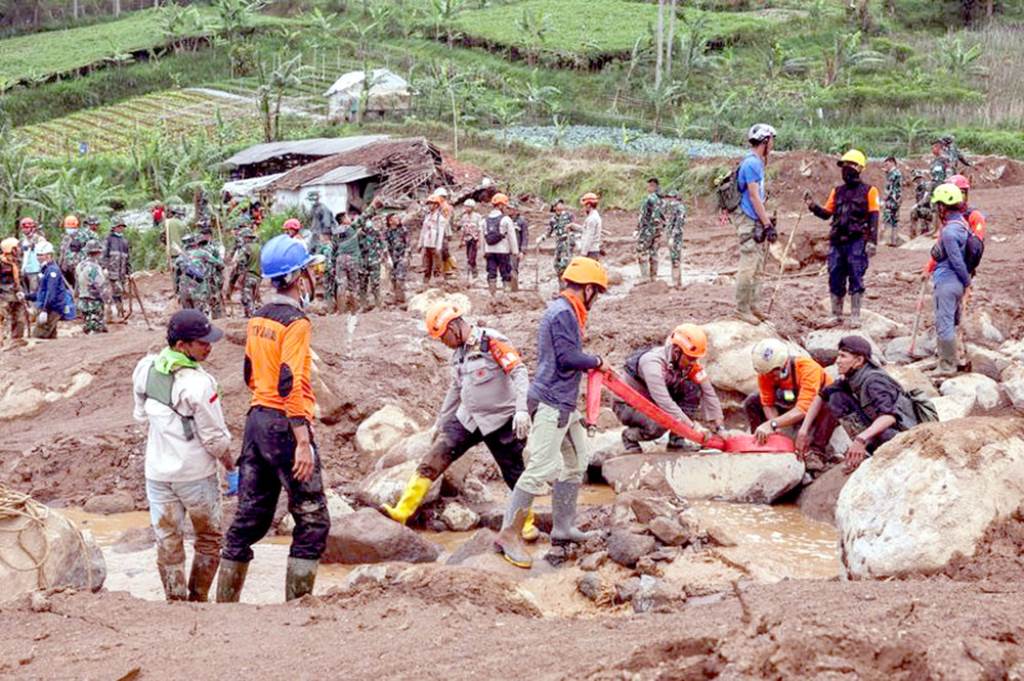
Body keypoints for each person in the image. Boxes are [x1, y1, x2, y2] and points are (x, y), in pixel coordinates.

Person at [218, 235, 329, 603]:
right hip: (286, 425)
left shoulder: (258, 317)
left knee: (249, 519)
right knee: (312, 520)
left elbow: (250, 374)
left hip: (256, 422)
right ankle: (297, 607)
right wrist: (302, 440)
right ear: (298, 277)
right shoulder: (296, 322)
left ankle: (224, 606)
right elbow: (290, 381)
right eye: (308, 270)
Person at [383, 302, 537, 541]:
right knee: (434, 458)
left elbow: (519, 371)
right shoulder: (458, 356)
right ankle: (402, 511)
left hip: (500, 419)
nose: (443, 342)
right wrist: (440, 423)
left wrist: (521, 410)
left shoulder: (491, 341)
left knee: (514, 473)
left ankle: (526, 523)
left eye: (443, 336)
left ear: (454, 327)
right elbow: (455, 390)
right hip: (468, 418)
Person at [494, 257, 608, 569]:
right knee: (540, 468)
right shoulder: (562, 313)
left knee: (577, 462)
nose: (595, 299)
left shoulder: (568, 310)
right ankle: (509, 535)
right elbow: (568, 358)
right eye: (596, 292)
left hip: (565, 403)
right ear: (587, 289)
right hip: (551, 402)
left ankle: (563, 527)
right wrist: (597, 361)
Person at [132, 309, 232, 602]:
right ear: (181, 346)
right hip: (195, 475)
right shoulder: (199, 383)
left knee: (167, 540)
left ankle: (174, 601)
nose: (209, 347)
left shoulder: (146, 368)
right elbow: (214, 438)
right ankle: (198, 599)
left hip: (157, 474)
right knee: (209, 539)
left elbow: (140, 414)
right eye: (202, 342)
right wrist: (230, 464)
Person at [798, 336, 921, 473]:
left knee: (884, 433)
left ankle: (868, 452)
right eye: (838, 355)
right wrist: (803, 431)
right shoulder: (852, 376)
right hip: (876, 428)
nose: (837, 361)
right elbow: (821, 396)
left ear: (859, 360)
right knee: (836, 397)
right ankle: (843, 451)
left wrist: (861, 439)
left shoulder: (874, 381)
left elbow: (890, 416)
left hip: (901, 435)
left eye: (843, 356)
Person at [614, 323, 725, 453]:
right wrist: (693, 427)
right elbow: (664, 402)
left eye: (696, 359)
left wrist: (720, 427)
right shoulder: (652, 363)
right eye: (691, 359)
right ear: (677, 352)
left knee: (691, 388)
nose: (694, 363)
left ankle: (676, 442)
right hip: (628, 405)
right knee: (661, 424)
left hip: (651, 401)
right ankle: (629, 437)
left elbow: (708, 391)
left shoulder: (687, 362)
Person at [804, 149, 880, 327]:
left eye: (850, 165)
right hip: (837, 241)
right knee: (835, 275)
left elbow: (874, 217)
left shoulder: (870, 191)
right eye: (844, 165)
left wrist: (872, 242)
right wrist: (812, 205)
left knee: (856, 275)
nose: (846, 169)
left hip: (857, 241)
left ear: (859, 168)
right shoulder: (837, 191)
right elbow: (826, 213)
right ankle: (835, 314)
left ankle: (855, 315)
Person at [745, 338, 839, 473]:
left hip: (817, 409)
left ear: (783, 364)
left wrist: (772, 424)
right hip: (791, 403)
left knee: (833, 401)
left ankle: (817, 451)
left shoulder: (808, 368)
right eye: (768, 373)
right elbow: (768, 403)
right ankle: (760, 441)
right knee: (752, 401)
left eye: (773, 372)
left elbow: (804, 408)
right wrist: (775, 429)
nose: (771, 377)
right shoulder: (765, 373)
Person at [928, 183, 973, 376]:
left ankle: (947, 365)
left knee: (944, 323)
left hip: (947, 282)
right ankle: (954, 358)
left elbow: (956, 260)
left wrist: (967, 283)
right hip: (956, 283)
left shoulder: (948, 232)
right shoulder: (962, 224)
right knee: (951, 321)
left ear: (942, 206)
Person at [734, 123, 777, 323]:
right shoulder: (751, 164)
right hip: (749, 219)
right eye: (772, 140)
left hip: (755, 218)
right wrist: (767, 224)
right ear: (765, 140)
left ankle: (753, 306)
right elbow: (753, 196)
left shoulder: (757, 162)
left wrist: (765, 221)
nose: (773, 144)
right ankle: (741, 308)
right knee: (748, 264)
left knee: (758, 265)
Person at [483, 193, 520, 294]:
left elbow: (483, 237)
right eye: (505, 206)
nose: (506, 208)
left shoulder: (485, 220)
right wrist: (515, 251)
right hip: (503, 250)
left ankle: (492, 295)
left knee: (491, 272)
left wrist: (483, 251)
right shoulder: (506, 219)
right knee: (505, 272)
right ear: (500, 205)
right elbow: (512, 237)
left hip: (489, 251)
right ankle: (506, 294)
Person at [30, 241, 69, 339]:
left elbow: (51, 293)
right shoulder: (45, 270)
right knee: (51, 337)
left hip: (52, 309)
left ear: (49, 255)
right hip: (48, 307)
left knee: (39, 336)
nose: (39, 257)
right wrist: (26, 296)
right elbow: (42, 292)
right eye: (38, 255)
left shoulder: (52, 271)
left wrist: (45, 310)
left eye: (41, 255)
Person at [75, 240, 110, 334]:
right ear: (98, 253)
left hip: (83, 301)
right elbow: (100, 286)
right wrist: (107, 300)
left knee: (87, 325)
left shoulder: (80, 266)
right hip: (94, 302)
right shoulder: (95, 268)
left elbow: (77, 283)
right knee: (95, 330)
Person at [536, 198, 575, 282]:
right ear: (554, 207)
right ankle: (561, 283)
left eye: (561, 203)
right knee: (556, 264)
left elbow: (574, 226)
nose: (561, 205)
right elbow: (549, 232)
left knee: (564, 264)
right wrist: (542, 238)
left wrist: (572, 232)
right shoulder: (553, 220)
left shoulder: (569, 215)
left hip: (567, 242)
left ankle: (568, 283)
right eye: (558, 204)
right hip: (559, 243)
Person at [355, 204, 386, 310]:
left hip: (374, 261)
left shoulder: (376, 233)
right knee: (362, 284)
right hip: (362, 262)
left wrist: (383, 256)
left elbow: (383, 245)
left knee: (375, 284)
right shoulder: (357, 235)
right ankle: (363, 305)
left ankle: (378, 305)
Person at [333, 210, 362, 312]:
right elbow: (364, 217)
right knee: (353, 285)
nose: (350, 219)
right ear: (343, 220)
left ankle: (341, 310)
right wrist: (374, 206)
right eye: (348, 217)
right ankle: (354, 309)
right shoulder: (351, 228)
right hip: (351, 259)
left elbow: (334, 248)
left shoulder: (336, 232)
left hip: (340, 259)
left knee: (341, 285)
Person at [103, 216, 132, 320]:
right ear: (114, 227)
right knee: (109, 293)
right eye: (118, 227)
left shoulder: (124, 241)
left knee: (119, 292)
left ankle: (120, 311)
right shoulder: (108, 239)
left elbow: (127, 258)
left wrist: (129, 272)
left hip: (121, 273)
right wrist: (104, 267)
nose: (120, 229)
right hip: (111, 272)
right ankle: (109, 314)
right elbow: (104, 255)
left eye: (122, 227)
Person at [635, 178, 663, 282]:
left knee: (641, 251)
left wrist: (638, 228)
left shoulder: (649, 199)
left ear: (653, 186)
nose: (647, 188)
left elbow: (643, 216)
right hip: (658, 230)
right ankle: (653, 277)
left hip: (647, 229)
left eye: (649, 186)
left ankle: (645, 277)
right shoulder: (661, 200)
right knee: (654, 252)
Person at [0, 237, 27, 343]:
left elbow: (20, 278)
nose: (19, 249)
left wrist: (20, 290)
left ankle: (17, 340)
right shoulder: (1, 262)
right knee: (1, 318)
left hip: (16, 293)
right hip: (3, 295)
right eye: (16, 247)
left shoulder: (17, 262)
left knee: (20, 318)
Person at [419, 194, 448, 286]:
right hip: (427, 243)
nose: (429, 205)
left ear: (436, 205)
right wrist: (420, 244)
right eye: (429, 204)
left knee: (437, 265)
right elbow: (423, 231)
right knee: (427, 265)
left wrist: (438, 247)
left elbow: (440, 233)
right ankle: (425, 283)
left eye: (431, 203)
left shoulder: (440, 218)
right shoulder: (427, 217)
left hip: (434, 244)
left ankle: (437, 283)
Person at [928, 138, 953, 235]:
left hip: (942, 187)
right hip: (934, 188)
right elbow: (932, 174)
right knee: (935, 209)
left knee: (942, 209)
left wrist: (946, 186)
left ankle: (940, 230)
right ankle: (935, 229)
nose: (932, 150)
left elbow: (949, 173)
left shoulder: (945, 159)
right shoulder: (934, 161)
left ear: (939, 147)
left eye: (933, 147)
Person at [383, 212, 409, 305]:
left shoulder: (403, 230)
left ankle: (401, 300)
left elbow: (408, 244)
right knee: (393, 279)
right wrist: (387, 258)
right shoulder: (387, 232)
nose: (398, 219)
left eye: (398, 218)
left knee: (400, 279)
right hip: (392, 259)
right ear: (390, 221)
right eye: (395, 218)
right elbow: (385, 246)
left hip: (402, 257)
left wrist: (406, 257)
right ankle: (395, 298)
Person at [664, 189, 686, 288]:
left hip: (676, 237)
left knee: (675, 258)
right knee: (673, 258)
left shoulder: (680, 208)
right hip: (671, 236)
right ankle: (676, 281)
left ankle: (676, 282)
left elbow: (678, 224)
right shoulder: (672, 208)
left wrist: (672, 237)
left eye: (671, 197)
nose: (669, 200)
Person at [310, 232, 336, 311]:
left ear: (325, 237)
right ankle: (334, 306)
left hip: (327, 269)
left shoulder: (323, 247)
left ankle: (330, 308)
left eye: (321, 237)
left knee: (328, 288)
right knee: (333, 287)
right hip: (334, 268)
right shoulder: (334, 245)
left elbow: (317, 256)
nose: (320, 238)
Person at [18, 217, 42, 297]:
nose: (25, 230)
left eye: (27, 227)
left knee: (34, 293)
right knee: (25, 293)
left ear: (32, 228)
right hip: (25, 270)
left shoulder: (39, 239)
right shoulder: (23, 241)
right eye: (23, 228)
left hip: (36, 271)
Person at [459, 199, 482, 282]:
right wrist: (461, 240)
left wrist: (479, 241)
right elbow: (463, 229)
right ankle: (474, 271)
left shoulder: (477, 217)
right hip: (467, 239)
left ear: (472, 207)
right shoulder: (464, 217)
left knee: (472, 256)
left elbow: (479, 229)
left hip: (474, 239)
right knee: (468, 255)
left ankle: (471, 274)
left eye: (468, 207)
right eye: (466, 207)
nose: (466, 208)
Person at [881, 157, 903, 247]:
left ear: (892, 162)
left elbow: (889, 188)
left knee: (888, 218)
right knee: (894, 220)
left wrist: (884, 199)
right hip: (897, 199)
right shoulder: (897, 173)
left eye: (887, 164)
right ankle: (894, 240)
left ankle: (887, 240)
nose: (886, 166)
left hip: (891, 199)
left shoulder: (893, 174)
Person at [908, 170, 933, 239]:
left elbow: (926, 199)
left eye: (919, 178)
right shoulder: (918, 189)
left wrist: (917, 205)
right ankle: (913, 234)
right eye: (916, 179)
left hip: (930, 210)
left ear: (922, 178)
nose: (917, 180)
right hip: (924, 209)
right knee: (914, 212)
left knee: (915, 211)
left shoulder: (927, 186)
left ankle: (924, 231)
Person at [577, 193, 602, 260]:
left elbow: (589, 237)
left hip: (590, 252)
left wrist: (583, 253)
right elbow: (585, 229)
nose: (583, 208)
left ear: (588, 205)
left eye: (584, 206)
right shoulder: (594, 216)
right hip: (593, 250)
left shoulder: (591, 219)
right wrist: (574, 227)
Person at [509, 203, 529, 280]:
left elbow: (525, 236)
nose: (510, 210)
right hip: (505, 248)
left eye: (511, 209)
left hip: (516, 249)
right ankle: (506, 285)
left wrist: (523, 251)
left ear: (516, 210)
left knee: (513, 268)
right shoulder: (506, 219)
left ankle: (514, 285)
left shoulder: (522, 221)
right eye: (509, 209)